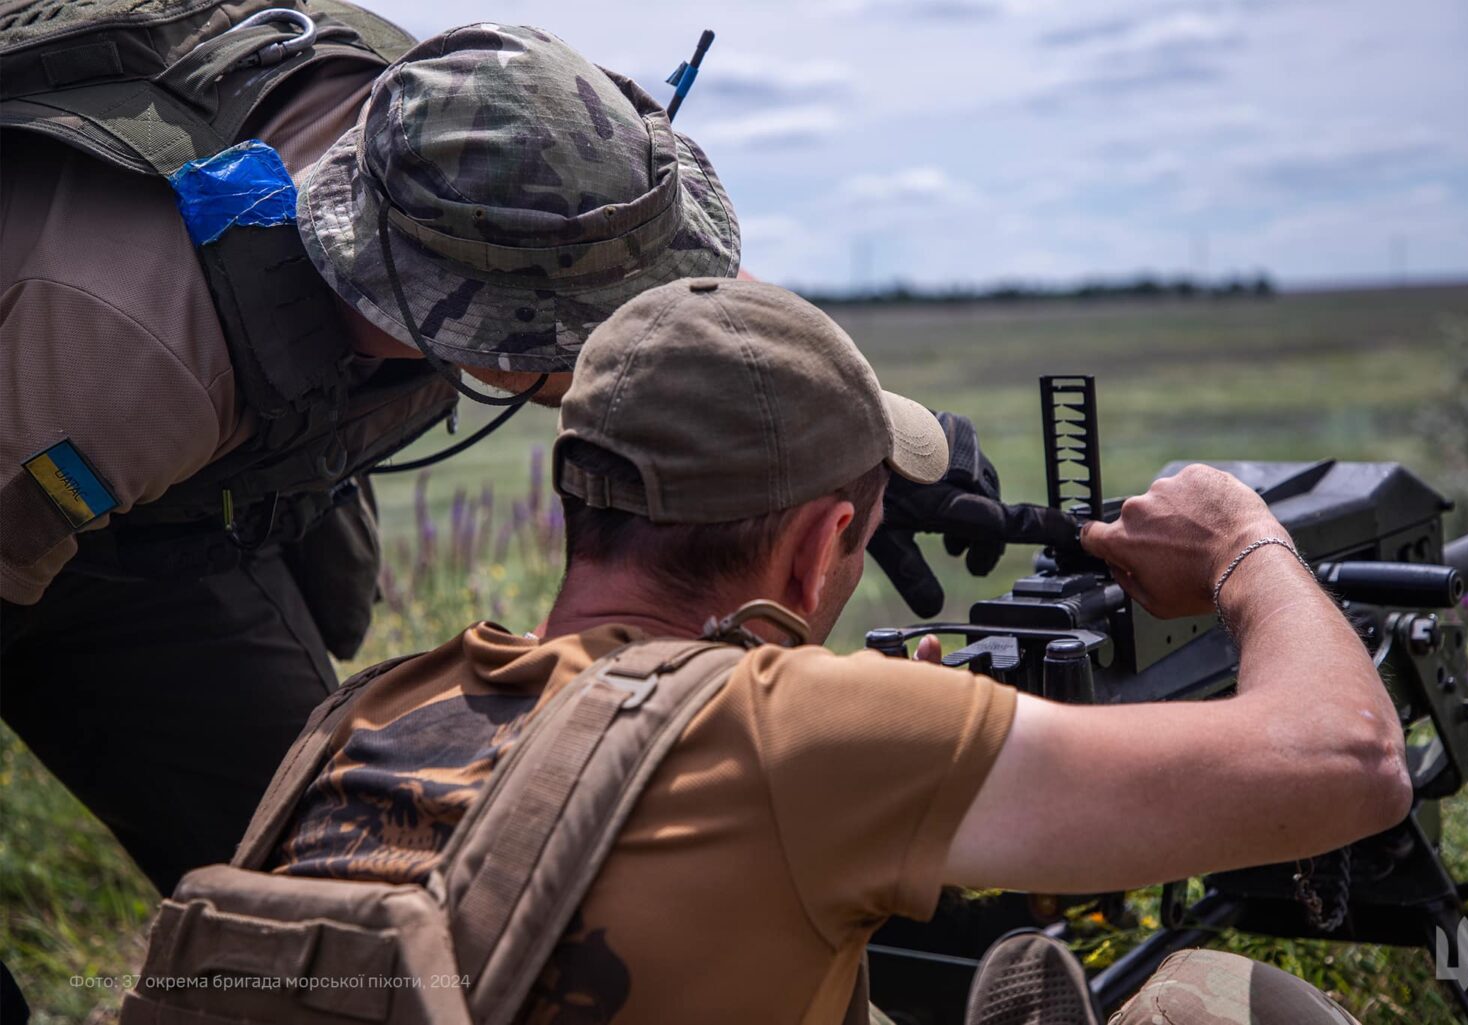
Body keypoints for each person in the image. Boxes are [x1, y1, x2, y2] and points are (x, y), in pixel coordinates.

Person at [0, 13, 1035, 902]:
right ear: (479, 329)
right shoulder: (119, 366)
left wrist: (878, 439)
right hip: (49, 464)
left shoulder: (470, 129)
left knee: (345, 889)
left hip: (175, 511)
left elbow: (655, 295)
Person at [265, 278, 1411, 1024]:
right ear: (819, 551)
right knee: (1216, 1001)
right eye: (861, 531)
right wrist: (1244, 540)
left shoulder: (360, 715)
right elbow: (1350, 762)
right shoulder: (793, 729)